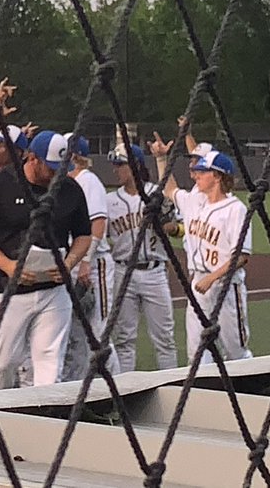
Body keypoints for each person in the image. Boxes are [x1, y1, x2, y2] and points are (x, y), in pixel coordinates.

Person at [0, 130, 92, 389]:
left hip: (53, 290)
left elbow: (83, 235)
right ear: (32, 158)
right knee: (2, 364)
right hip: (8, 289)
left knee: (50, 364)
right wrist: (7, 265)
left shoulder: (69, 188)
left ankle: (46, 420)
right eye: (51, 168)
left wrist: (69, 264)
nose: (56, 174)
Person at [152, 138, 253, 366]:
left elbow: (242, 256)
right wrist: (161, 159)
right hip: (198, 284)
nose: (196, 174)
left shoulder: (235, 209)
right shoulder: (194, 202)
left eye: (202, 171)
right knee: (196, 353)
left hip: (226, 287)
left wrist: (212, 277)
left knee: (236, 352)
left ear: (217, 176)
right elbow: (170, 189)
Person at [105, 143, 178, 372]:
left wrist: (165, 223)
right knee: (124, 339)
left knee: (164, 338)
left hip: (154, 272)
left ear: (136, 165)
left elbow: (178, 229)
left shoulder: (156, 193)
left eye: (120, 165)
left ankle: (173, 387)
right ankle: (127, 394)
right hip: (122, 271)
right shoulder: (109, 201)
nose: (116, 169)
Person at [61, 134, 120, 381]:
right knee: (75, 334)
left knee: (98, 330)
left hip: (94, 264)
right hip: (73, 262)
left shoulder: (89, 181)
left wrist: (85, 261)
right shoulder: (65, 182)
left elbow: (98, 223)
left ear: (73, 156)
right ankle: (77, 390)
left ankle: (115, 387)